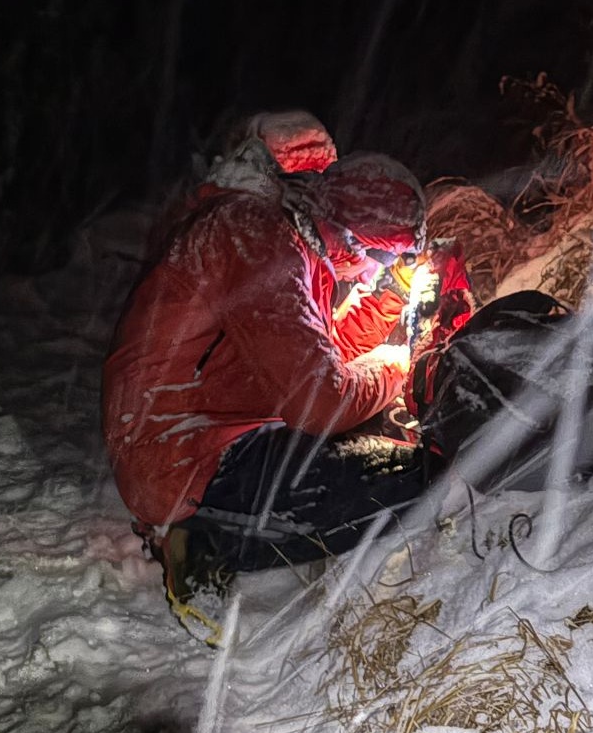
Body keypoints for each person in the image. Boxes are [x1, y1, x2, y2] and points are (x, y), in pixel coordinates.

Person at [102, 139, 438, 641]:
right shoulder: (255, 240)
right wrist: (396, 366)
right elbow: (319, 400)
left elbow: (319, 352)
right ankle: (204, 538)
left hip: (204, 438)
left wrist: (389, 302)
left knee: (385, 463)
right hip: (181, 455)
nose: (374, 271)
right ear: (345, 232)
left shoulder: (285, 241)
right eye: (377, 255)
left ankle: (206, 528)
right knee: (411, 480)